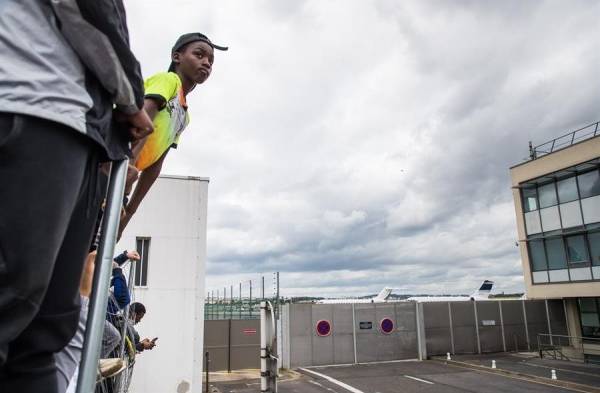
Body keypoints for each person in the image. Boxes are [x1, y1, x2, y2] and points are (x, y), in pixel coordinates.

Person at [0, 1, 152, 392]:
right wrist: (130, 97)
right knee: (16, 306)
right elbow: (90, 11)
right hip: (32, 105)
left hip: (80, 133)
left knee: (46, 330)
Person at [119, 33, 228, 235]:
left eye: (211, 61)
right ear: (177, 57)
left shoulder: (184, 115)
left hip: (123, 181)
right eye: (199, 55)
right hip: (110, 168)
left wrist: (129, 212)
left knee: (93, 254)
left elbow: (155, 165)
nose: (206, 63)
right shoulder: (168, 80)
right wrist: (128, 164)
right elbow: (142, 121)